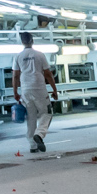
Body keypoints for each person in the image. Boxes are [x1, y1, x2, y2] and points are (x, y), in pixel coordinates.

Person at [15, 28, 58, 156]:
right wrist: (54, 90)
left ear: (22, 42)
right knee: (46, 113)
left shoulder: (18, 56)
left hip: (25, 89)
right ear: (32, 41)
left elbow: (15, 76)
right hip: (39, 88)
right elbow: (48, 74)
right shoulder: (40, 55)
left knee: (31, 117)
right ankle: (39, 134)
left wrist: (15, 92)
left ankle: (33, 146)